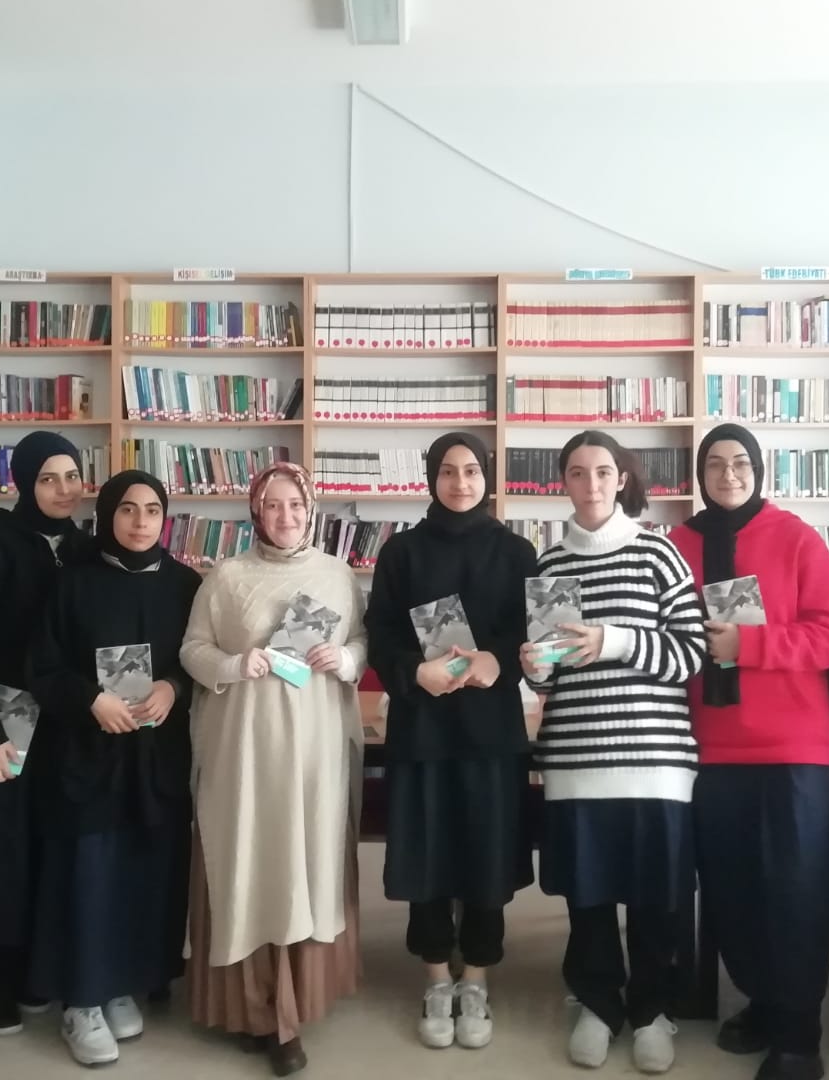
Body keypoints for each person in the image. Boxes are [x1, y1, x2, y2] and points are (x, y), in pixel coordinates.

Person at [518, 430, 707, 1075]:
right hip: (576, 759)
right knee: (588, 898)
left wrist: (615, 640)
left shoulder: (658, 552)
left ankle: (653, 1009)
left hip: (654, 759)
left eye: (603, 471)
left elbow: (690, 653)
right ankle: (598, 1003)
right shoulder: (549, 565)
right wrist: (534, 667)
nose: (591, 484)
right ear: (563, 482)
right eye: (577, 472)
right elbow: (549, 677)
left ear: (622, 479)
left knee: (656, 898)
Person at [667, 425, 829, 1080]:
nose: (728, 475)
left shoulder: (796, 538)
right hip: (711, 750)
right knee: (732, 891)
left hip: (791, 750)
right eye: (715, 464)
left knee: (797, 893)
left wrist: (752, 645)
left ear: (759, 469)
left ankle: (800, 1032)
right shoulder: (677, 544)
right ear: (699, 473)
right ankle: (765, 1001)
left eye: (741, 463)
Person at [180, 462, 367, 1077]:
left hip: (314, 749)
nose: (285, 516)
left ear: (310, 509)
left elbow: (362, 643)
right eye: (273, 505)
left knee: (302, 858)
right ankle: (256, 1007)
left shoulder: (337, 574)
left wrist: (344, 658)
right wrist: (235, 665)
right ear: (255, 513)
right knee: (250, 860)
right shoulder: (226, 576)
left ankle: (293, 1005)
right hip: (244, 750)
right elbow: (192, 649)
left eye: (295, 505)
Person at [363, 433, 538, 1050]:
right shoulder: (402, 551)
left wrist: (499, 661)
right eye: (447, 471)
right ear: (430, 478)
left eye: (470, 471)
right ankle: (437, 977)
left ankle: (478, 977)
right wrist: (414, 672)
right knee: (428, 854)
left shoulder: (517, 551)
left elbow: (531, 631)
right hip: (425, 727)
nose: (460, 483)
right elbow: (380, 632)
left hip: (491, 730)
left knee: (488, 855)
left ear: (487, 477)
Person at [26, 470, 202, 1066]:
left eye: (152, 510)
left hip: (157, 757)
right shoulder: (71, 584)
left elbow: (196, 659)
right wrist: (90, 700)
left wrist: (173, 688)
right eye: (127, 509)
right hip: (87, 754)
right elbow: (42, 667)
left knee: (146, 872)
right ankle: (81, 1000)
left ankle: (124, 981)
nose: (140, 521)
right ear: (107, 514)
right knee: (89, 875)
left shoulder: (185, 585)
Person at [0, 430, 95, 1035]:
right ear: (24, 483)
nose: (63, 490)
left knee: (50, 847)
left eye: (71, 476)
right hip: (4, 725)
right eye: (47, 479)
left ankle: (38, 967)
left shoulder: (86, 547)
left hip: (65, 726)